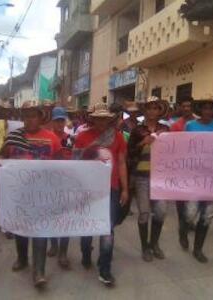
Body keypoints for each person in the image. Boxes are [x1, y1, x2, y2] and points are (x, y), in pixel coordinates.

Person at [0, 101, 61, 288]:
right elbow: (1, 159)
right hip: (19, 193)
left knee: (40, 231)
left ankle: (39, 272)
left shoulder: (52, 138)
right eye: (26, 116)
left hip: (43, 193)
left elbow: (60, 166)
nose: (29, 119)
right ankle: (22, 258)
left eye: (33, 115)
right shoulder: (13, 137)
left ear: (41, 118)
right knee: (21, 229)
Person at [74, 103, 128, 287]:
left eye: (105, 118)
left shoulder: (118, 137)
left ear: (109, 119)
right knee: (88, 227)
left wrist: (125, 188)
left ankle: (105, 269)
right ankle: (86, 252)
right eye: (98, 118)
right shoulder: (81, 137)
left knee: (107, 228)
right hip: (87, 190)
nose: (101, 121)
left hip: (110, 189)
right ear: (92, 119)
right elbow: (76, 165)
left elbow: (121, 163)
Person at [128, 96, 169, 262]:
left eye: (156, 107)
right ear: (144, 110)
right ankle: (145, 247)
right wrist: (142, 143)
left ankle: (154, 244)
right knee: (144, 213)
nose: (152, 111)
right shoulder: (137, 130)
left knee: (161, 212)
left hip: (160, 177)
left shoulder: (166, 130)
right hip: (142, 177)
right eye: (149, 107)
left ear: (160, 110)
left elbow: (174, 152)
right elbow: (129, 153)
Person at [184, 98, 213, 263]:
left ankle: (198, 249)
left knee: (207, 215)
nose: (208, 111)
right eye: (205, 108)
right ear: (200, 110)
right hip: (194, 176)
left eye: (211, 109)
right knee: (190, 213)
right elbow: (183, 148)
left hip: (212, 178)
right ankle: (183, 231)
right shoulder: (190, 126)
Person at [46, 106, 73, 268]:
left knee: (66, 218)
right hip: (49, 184)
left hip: (67, 183)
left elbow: (76, 159)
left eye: (62, 120)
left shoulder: (71, 139)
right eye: (57, 120)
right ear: (52, 121)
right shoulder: (46, 139)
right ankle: (54, 244)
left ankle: (63, 252)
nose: (59, 123)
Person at [170, 97, 196, 251]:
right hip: (180, 168)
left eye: (189, 106)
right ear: (180, 107)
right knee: (181, 201)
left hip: (196, 169)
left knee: (193, 200)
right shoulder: (175, 126)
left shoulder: (198, 123)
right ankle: (183, 228)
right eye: (184, 105)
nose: (187, 108)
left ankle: (189, 221)